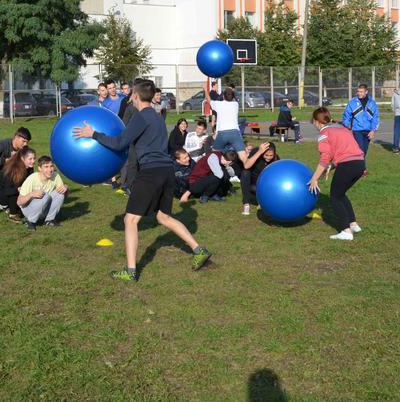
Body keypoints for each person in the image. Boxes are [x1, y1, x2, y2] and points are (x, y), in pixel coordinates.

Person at [73, 79, 212, 281]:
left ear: (136, 96)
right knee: (163, 217)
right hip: (167, 171)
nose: (129, 98)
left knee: (130, 219)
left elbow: (120, 143)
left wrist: (93, 133)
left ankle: (130, 272)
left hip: (152, 172)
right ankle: (199, 249)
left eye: (131, 95)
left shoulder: (141, 117)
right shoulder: (156, 117)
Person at [307, 107, 366, 241]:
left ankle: (346, 231)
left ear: (316, 121)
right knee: (341, 194)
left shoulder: (324, 133)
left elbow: (325, 158)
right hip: (360, 164)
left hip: (348, 165)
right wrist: (332, 166)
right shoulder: (341, 129)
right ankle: (353, 224)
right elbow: (345, 150)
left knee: (335, 196)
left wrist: (314, 179)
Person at [0, 127, 32, 215]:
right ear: (16, 137)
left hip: (9, 174)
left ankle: (8, 205)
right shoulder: (3, 144)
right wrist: (6, 160)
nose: (25, 144)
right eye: (23, 141)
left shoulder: (24, 149)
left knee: (16, 188)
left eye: (27, 142)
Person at [17, 155, 68, 231]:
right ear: (40, 168)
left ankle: (49, 220)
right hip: (29, 211)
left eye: (51, 166)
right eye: (46, 167)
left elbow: (63, 197)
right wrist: (31, 194)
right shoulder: (32, 178)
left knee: (60, 193)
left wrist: (66, 188)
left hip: (44, 209)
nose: (50, 170)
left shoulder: (55, 175)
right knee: (45, 195)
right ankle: (30, 222)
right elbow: (19, 202)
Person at [205, 86, 248, 164]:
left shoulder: (218, 104)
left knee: (214, 155)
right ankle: (247, 169)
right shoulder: (236, 104)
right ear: (233, 97)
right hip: (235, 132)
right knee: (244, 157)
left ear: (223, 96)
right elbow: (231, 98)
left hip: (222, 133)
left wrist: (205, 90)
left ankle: (217, 168)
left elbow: (208, 100)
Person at [240, 142, 280, 215]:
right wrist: (259, 152)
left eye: (271, 155)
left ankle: (263, 201)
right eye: (266, 155)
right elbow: (246, 166)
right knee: (245, 172)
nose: (268, 157)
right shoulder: (256, 152)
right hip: (253, 184)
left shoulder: (276, 159)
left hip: (265, 187)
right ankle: (246, 204)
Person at [342, 84, 379, 158]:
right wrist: (347, 125)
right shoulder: (352, 102)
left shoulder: (372, 103)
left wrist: (373, 130)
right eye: (358, 91)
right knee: (360, 151)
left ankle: (359, 167)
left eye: (361, 92)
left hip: (368, 131)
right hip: (357, 130)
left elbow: (376, 117)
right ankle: (362, 169)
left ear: (366, 92)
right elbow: (346, 115)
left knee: (364, 151)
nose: (359, 93)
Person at [0, 146, 36, 223]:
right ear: (23, 159)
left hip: (19, 193)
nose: (33, 161)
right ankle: (12, 214)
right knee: (16, 193)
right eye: (30, 159)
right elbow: (6, 190)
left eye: (34, 158)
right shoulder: (13, 170)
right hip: (5, 195)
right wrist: (19, 189)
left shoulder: (30, 168)